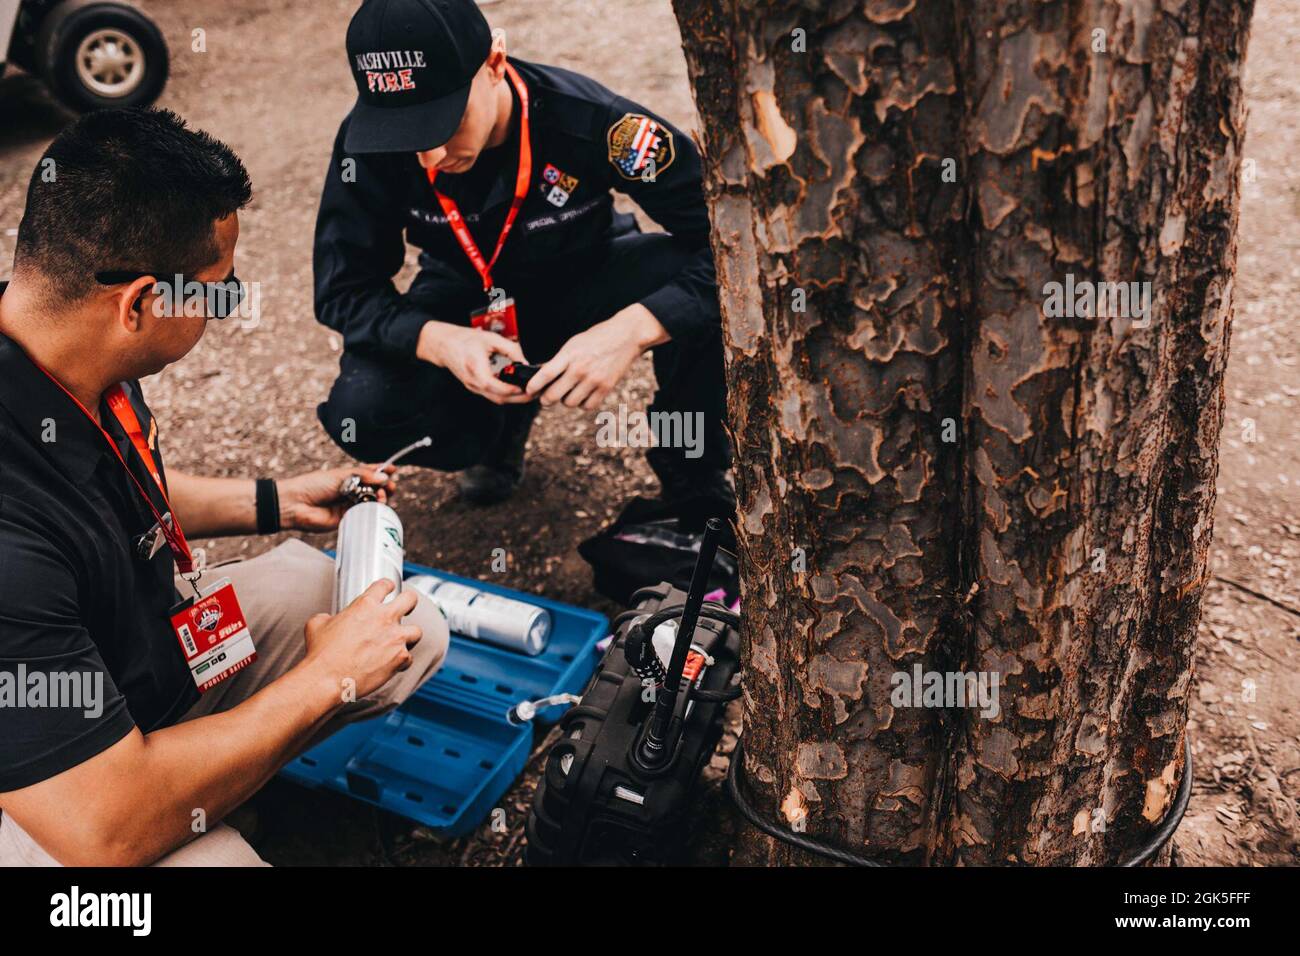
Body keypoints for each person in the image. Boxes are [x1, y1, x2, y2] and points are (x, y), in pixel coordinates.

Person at [0, 107, 449, 867]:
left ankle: (205, 788)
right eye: (218, 291)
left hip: (120, 657)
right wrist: (326, 680)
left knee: (402, 626)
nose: (230, 307)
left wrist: (274, 500)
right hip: (60, 788)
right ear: (140, 303)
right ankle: (194, 815)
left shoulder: (60, 340)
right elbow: (99, 832)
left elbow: (104, 501)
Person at [314, 0, 732, 508]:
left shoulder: (595, 122)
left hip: (585, 273)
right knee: (364, 409)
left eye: (444, 123)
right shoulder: (368, 143)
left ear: (495, 62)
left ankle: (691, 472)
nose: (431, 157)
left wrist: (636, 327)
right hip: (464, 293)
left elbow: (730, 245)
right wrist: (438, 341)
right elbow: (343, 288)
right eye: (407, 134)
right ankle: (492, 431)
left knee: (699, 301)